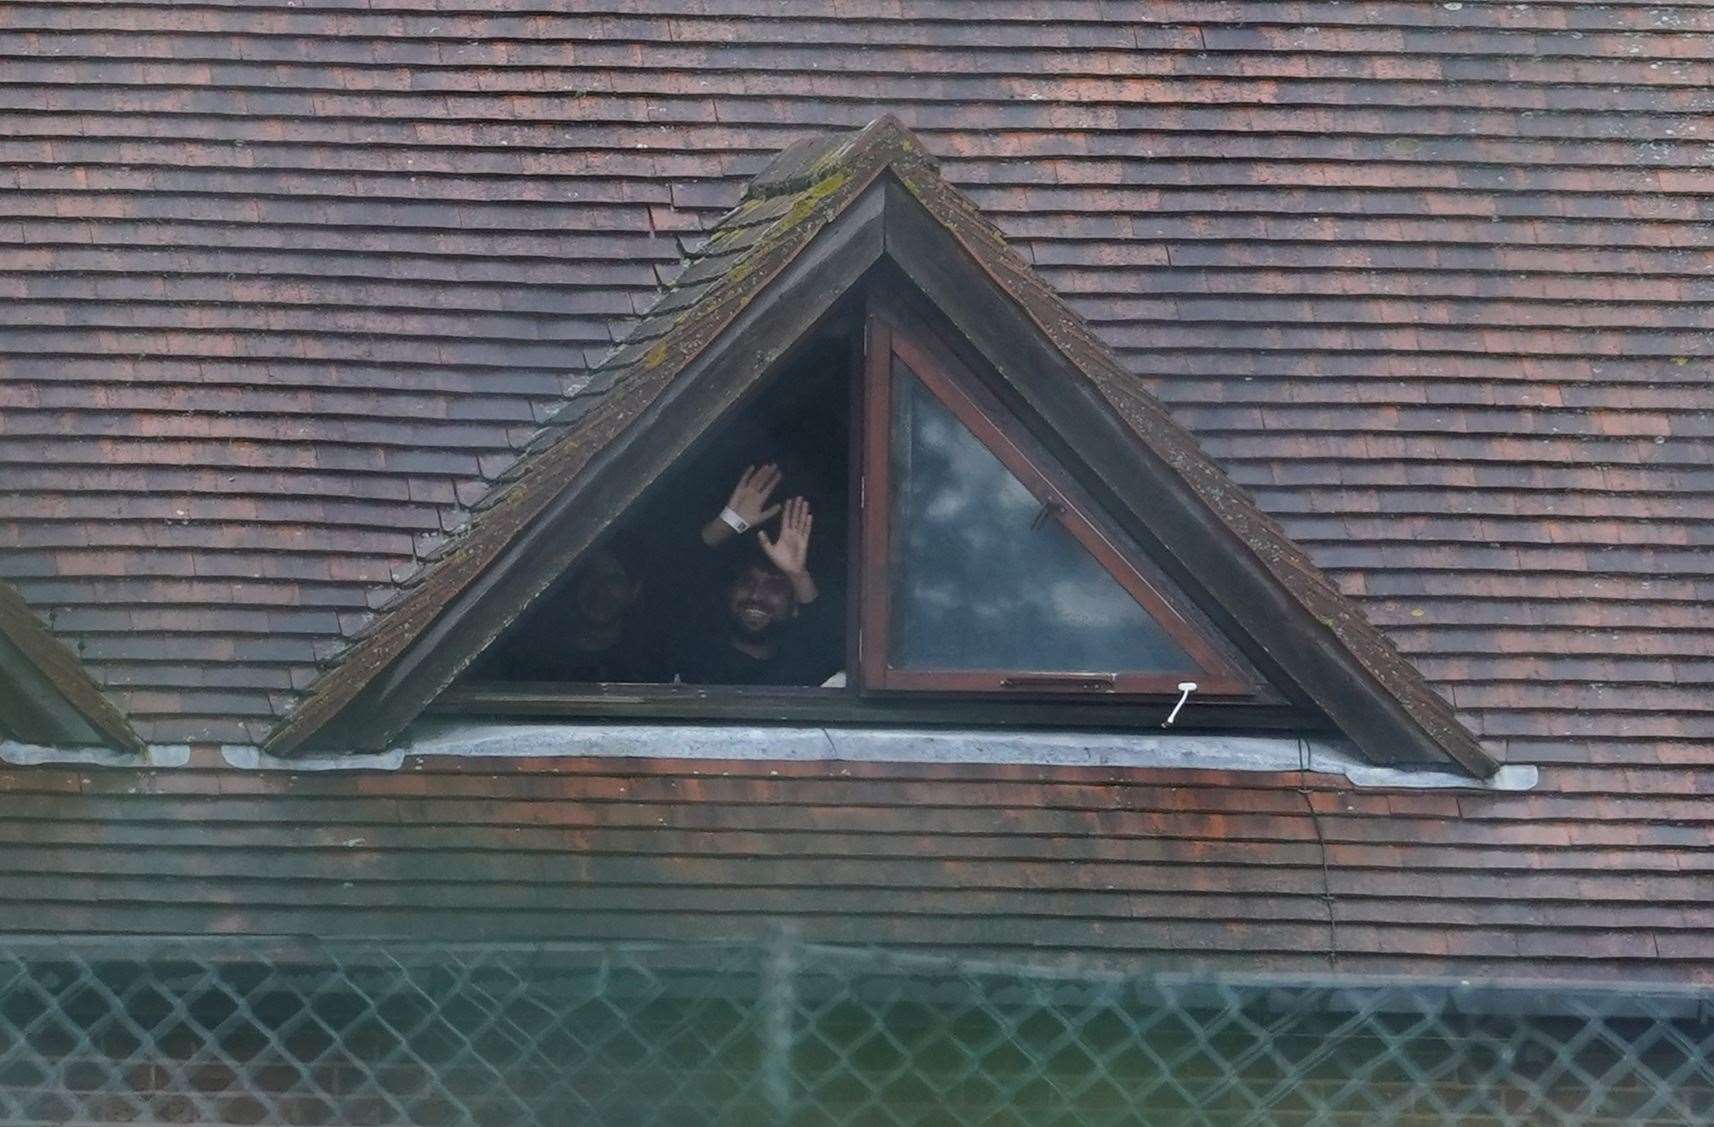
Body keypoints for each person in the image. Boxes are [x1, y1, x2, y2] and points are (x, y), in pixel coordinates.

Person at [677, 487, 830, 685]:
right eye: (747, 581)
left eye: (774, 586)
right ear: (729, 591)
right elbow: (670, 579)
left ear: (794, 605)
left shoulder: (802, 671)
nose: (756, 595)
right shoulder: (690, 653)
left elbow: (831, 641)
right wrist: (727, 524)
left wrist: (798, 575)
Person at [483, 542, 658, 683]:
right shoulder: (534, 659)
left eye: (613, 580)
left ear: (634, 589)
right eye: (590, 577)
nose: (599, 591)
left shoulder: (649, 660)